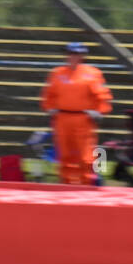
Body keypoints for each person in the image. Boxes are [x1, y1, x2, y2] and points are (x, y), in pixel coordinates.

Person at [40, 42, 112, 186]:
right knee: (64, 154)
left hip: (83, 119)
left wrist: (100, 111)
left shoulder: (93, 73)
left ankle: (87, 183)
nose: (72, 57)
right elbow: (49, 95)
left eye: (76, 54)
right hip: (62, 118)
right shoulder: (57, 73)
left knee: (85, 156)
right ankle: (65, 183)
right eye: (70, 53)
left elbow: (103, 95)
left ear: (82, 56)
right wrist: (49, 108)